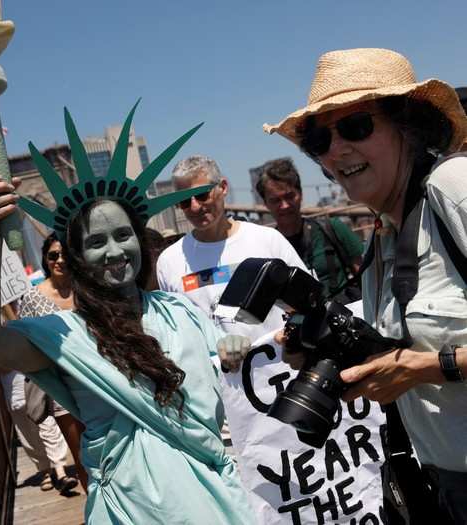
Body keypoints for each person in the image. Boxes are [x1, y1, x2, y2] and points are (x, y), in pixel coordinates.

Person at [0, 106, 253, 524]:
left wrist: (231, 347)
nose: (115, 251)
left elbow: (219, 363)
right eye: (96, 242)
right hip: (131, 510)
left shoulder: (179, 313)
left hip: (212, 500)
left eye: (123, 235)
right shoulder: (65, 336)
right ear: (78, 258)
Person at [264, 47, 467, 521]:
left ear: (407, 126)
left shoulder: (455, 187)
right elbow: (400, 352)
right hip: (446, 484)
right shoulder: (384, 235)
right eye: (319, 140)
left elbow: (424, 362)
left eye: (356, 127)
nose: (336, 150)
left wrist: (433, 367)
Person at [157, 155, 307, 343]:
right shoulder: (169, 262)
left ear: (223, 187)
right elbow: (178, 334)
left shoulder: (268, 240)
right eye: (184, 201)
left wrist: (288, 337)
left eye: (203, 195)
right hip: (218, 373)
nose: (195, 207)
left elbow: (310, 305)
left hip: (284, 367)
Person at [16, 232, 87, 491]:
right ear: (46, 260)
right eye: (53, 255)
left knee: (109, 447)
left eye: (64, 254)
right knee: (81, 455)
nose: (60, 260)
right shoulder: (34, 298)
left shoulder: (86, 288)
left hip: (97, 379)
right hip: (61, 387)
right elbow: (24, 340)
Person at [256, 157, 364, 302]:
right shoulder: (268, 249)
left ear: (300, 194)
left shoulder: (332, 229)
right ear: (265, 204)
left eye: (289, 196)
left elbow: (367, 277)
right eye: (276, 200)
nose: (285, 205)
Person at [0, 370, 74, 493]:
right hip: (13, 382)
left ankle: (60, 471)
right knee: (28, 431)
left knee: (47, 422)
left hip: (35, 374)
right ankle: (44, 469)